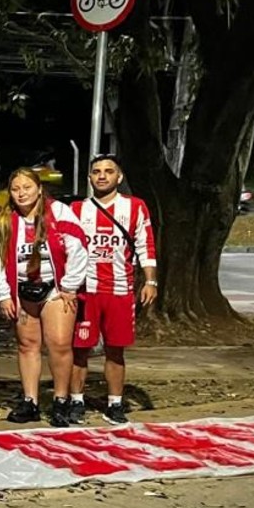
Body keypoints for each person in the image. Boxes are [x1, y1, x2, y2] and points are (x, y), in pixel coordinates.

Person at [0, 167, 89, 426]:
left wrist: (70, 286)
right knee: (27, 345)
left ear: (39, 188)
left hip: (54, 288)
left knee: (60, 344)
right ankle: (30, 401)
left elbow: (78, 249)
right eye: (16, 189)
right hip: (21, 290)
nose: (21, 194)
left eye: (27, 188)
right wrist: (3, 295)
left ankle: (60, 401)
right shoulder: (3, 220)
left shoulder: (59, 212)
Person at [68, 153, 158, 424]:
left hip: (120, 290)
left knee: (115, 349)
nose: (102, 176)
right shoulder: (76, 210)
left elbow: (146, 246)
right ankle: (75, 401)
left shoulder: (135, 207)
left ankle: (115, 403)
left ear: (119, 177)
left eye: (109, 171)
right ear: (90, 178)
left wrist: (150, 281)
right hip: (85, 291)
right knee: (79, 349)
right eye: (97, 171)